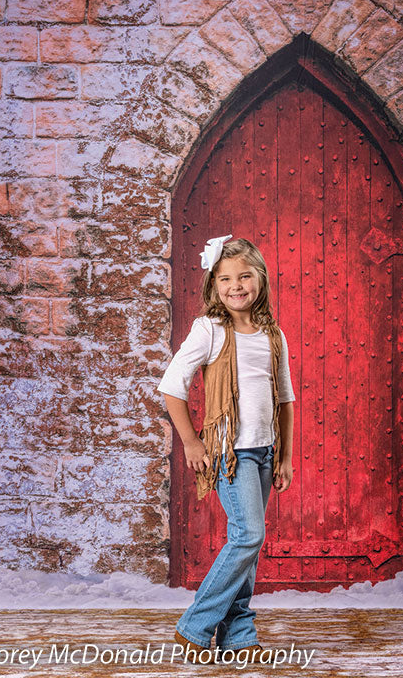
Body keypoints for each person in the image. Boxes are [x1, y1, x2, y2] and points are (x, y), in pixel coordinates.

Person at [157, 234, 295, 664]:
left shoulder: (274, 336)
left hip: (265, 452)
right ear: (214, 286)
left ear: (261, 280)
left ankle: (238, 632)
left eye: (245, 276)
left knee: (248, 546)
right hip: (228, 451)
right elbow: (171, 387)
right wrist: (192, 441)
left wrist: (286, 455)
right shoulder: (210, 330)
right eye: (226, 279)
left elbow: (285, 398)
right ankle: (195, 625)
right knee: (248, 535)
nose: (237, 286)